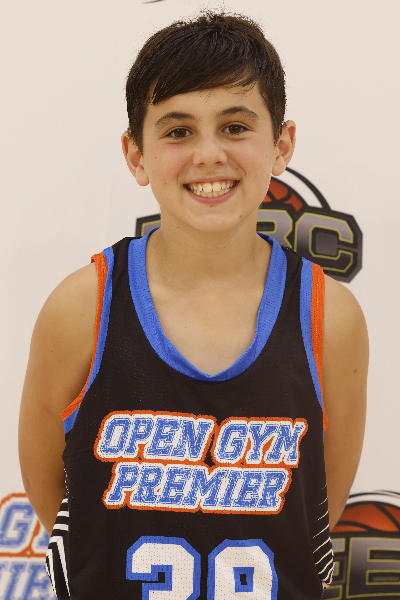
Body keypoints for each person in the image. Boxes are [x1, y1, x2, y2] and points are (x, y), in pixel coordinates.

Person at [18, 10, 368, 600]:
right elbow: (50, 487)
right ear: (136, 155)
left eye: (235, 126)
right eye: (178, 131)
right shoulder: (82, 307)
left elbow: (320, 502)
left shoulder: (329, 318)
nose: (209, 154)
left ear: (281, 145)